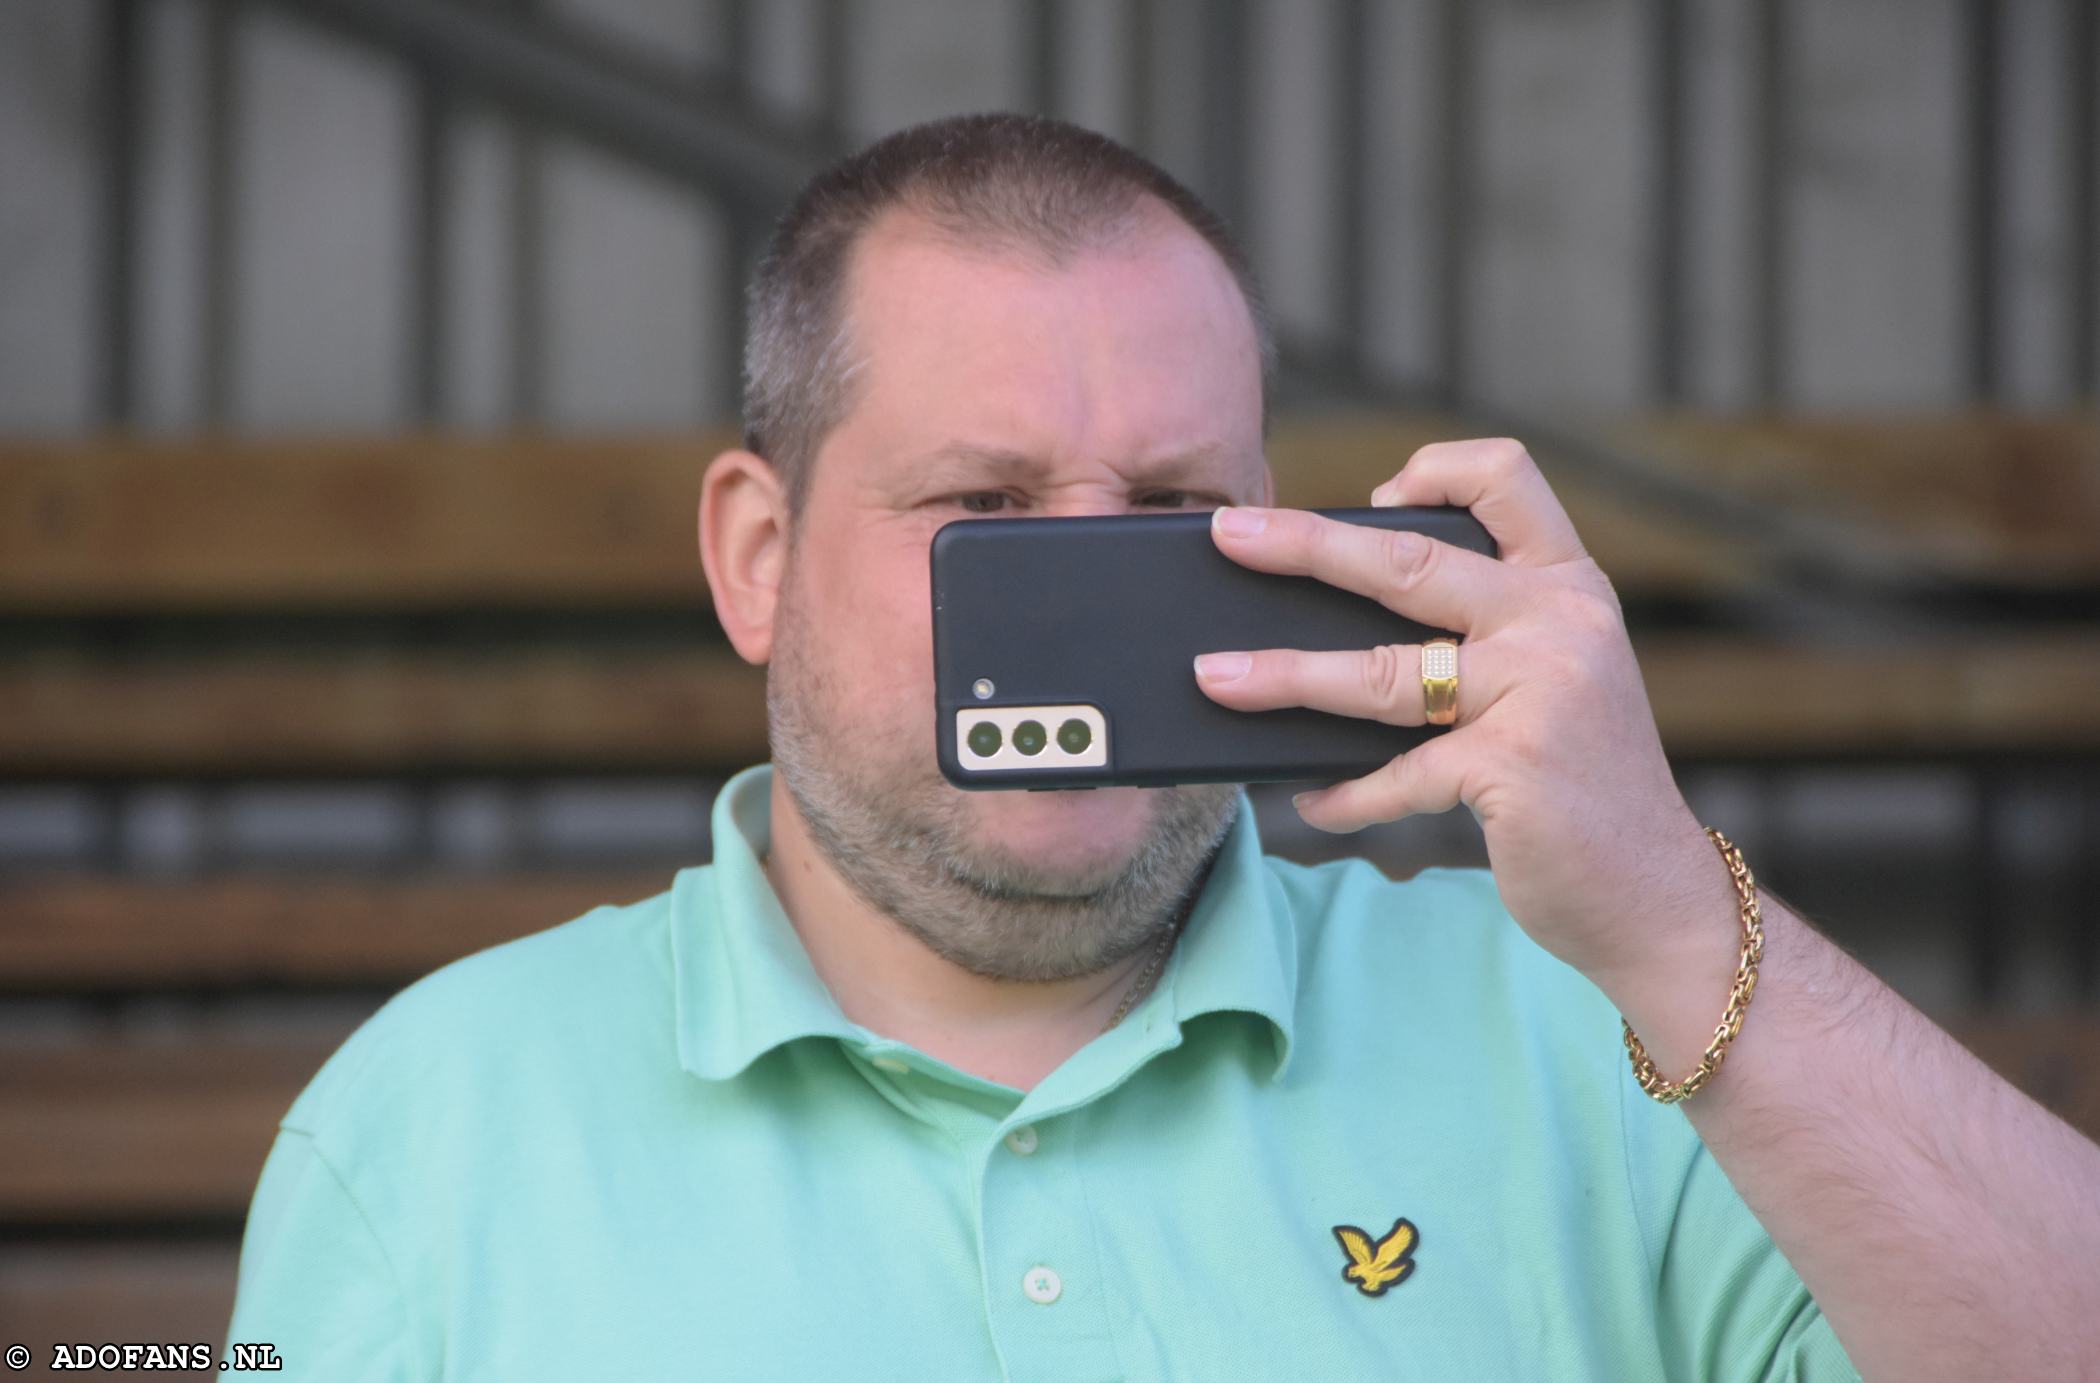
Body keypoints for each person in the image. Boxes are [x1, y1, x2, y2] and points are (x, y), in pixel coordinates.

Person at [225, 112, 2099, 1380]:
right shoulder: (427, 1133)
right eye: (986, 506)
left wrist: (1679, 919)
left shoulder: (1603, 1037)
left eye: (1171, 509)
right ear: (758, 561)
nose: (1091, 602)